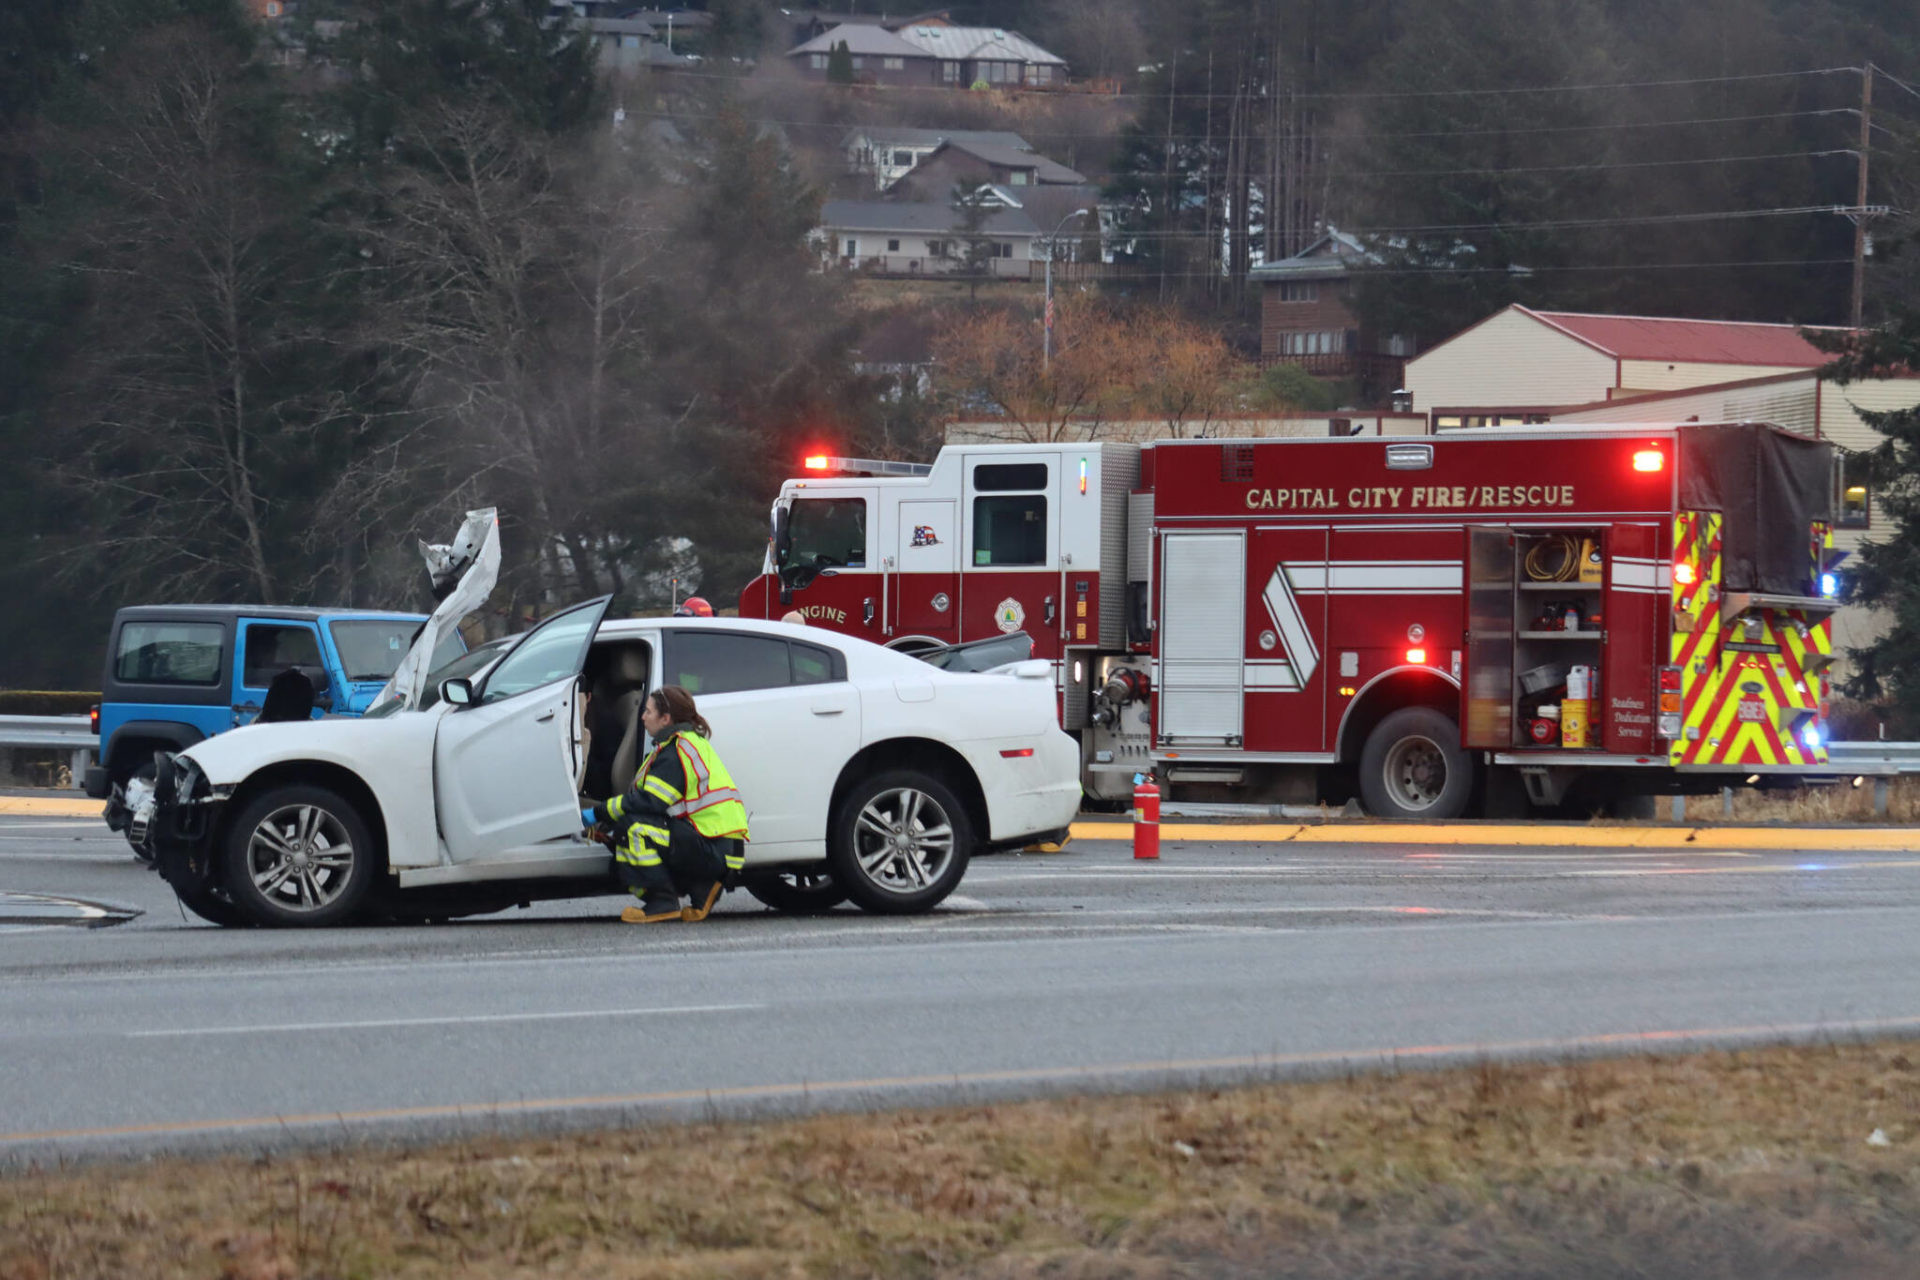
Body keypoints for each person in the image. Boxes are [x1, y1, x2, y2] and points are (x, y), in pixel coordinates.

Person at [583, 685, 749, 924]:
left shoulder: (675, 751)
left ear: (665, 719)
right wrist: (608, 829)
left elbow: (649, 802)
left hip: (714, 848)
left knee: (633, 829)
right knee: (620, 853)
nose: (642, 717)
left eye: (648, 711)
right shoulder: (686, 743)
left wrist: (598, 813)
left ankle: (662, 902)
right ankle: (702, 888)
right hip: (717, 845)